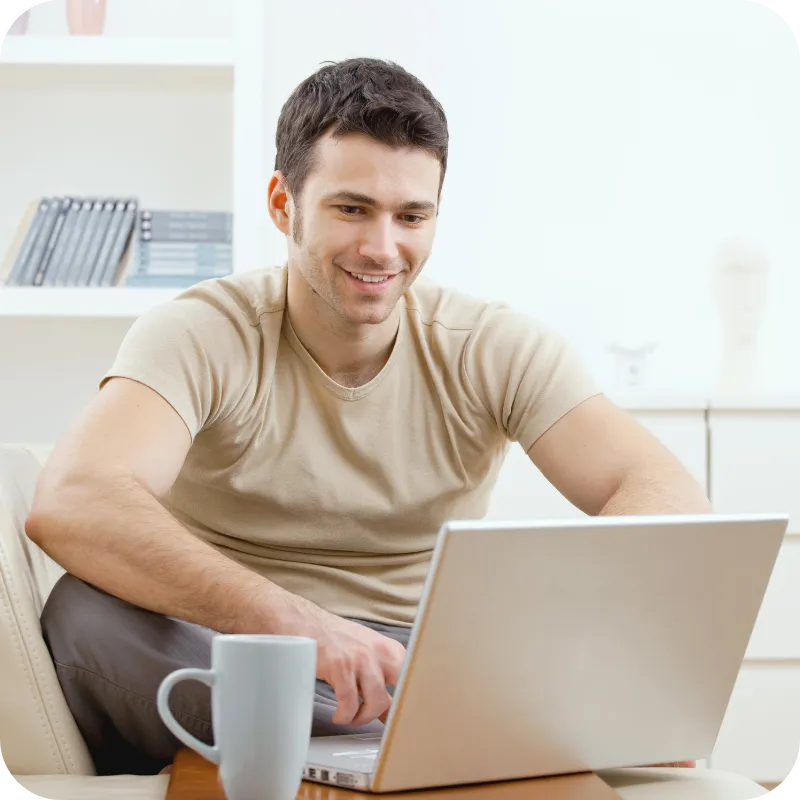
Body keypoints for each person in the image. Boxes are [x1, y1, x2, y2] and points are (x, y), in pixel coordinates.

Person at [27, 57, 711, 776]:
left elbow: (666, 495)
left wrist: (548, 636)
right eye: (351, 208)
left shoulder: (493, 347)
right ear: (283, 204)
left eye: (411, 216)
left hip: (425, 659)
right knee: (85, 618)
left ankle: (372, 734)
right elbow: (74, 500)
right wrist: (300, 627)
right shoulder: (202, 332)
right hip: (237, 649)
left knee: (550, 669)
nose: (383, 248)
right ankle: (437, 739)